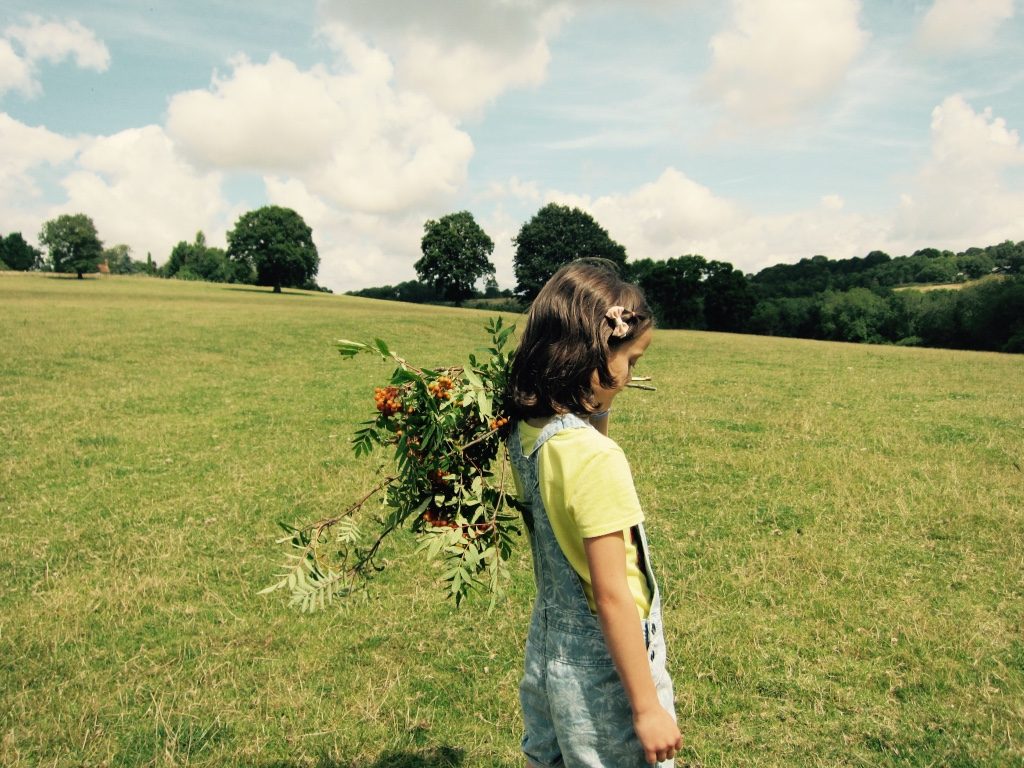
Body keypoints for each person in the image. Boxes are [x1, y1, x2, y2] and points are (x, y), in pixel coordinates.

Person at [506, 259, 682, 767]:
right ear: (595, 352)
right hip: (608, 665)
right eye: (630, 357)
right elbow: (611, 595)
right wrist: (646, 708)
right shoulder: (598, 460)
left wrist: (597, 403)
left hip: (549, 650)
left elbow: (572, 467)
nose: (630, 375)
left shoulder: (527, 434)